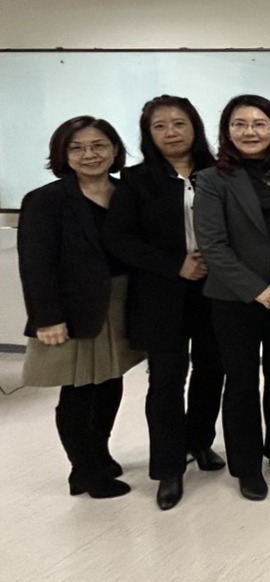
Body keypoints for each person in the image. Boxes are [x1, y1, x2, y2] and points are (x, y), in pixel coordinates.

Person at [104, 95, 227, 511]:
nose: (171, 132)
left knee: (212, 370)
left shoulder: (220, 172)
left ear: (194, 127)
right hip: (161, 294)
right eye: (160, 126)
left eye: (179, 123)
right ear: (148, 134)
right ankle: (168, 467)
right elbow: (119, 238)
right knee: (166, 381)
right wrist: (176, 265)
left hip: (216, 291)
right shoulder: (136, 180)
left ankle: (200, 442)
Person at [18, 116, 144, 499]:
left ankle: (99, 454)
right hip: (72, 309)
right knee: (78, 390)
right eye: (77, 148)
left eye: (99, 145)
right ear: (63, 154)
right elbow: (36, 264)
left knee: (109, 381)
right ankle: (83, 471)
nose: (90, 154)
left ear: (114, 149)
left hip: (121, 301)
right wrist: (47, 317)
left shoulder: (126, 193)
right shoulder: (46, 200)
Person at [194, 94, 270, 502]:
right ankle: (246, 466)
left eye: (259, 124)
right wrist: (255, 289)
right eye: (239, 124)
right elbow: (212, 245)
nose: (250, 132)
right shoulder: (212, 179)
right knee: (242, 381)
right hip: (236, 299)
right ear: (227, 131)